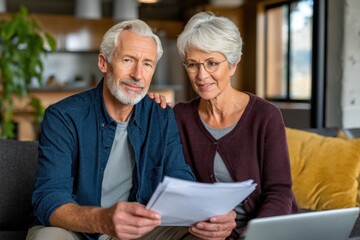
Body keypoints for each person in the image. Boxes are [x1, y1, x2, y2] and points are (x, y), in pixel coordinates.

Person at [26, 19, 200, 240]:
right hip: (78, 230)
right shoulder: (63, 116)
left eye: (147, 64)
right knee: (47, 238)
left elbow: (180, 178)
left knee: (201, 232)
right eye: (128, 60)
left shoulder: (161, 115)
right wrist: (103, 220)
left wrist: (205, 215)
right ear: (103, 62)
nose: (138, 74)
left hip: (139, 231)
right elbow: (49, 197)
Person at [151, 11, 299, 239]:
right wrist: (148, 109)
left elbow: (279, 193)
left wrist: (246, 235)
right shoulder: (179, 116)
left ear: (232, 65)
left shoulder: (266, 116)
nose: (201, 75)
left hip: (264, 229)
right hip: (205, 233)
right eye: (192, 64)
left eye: (212, 63)